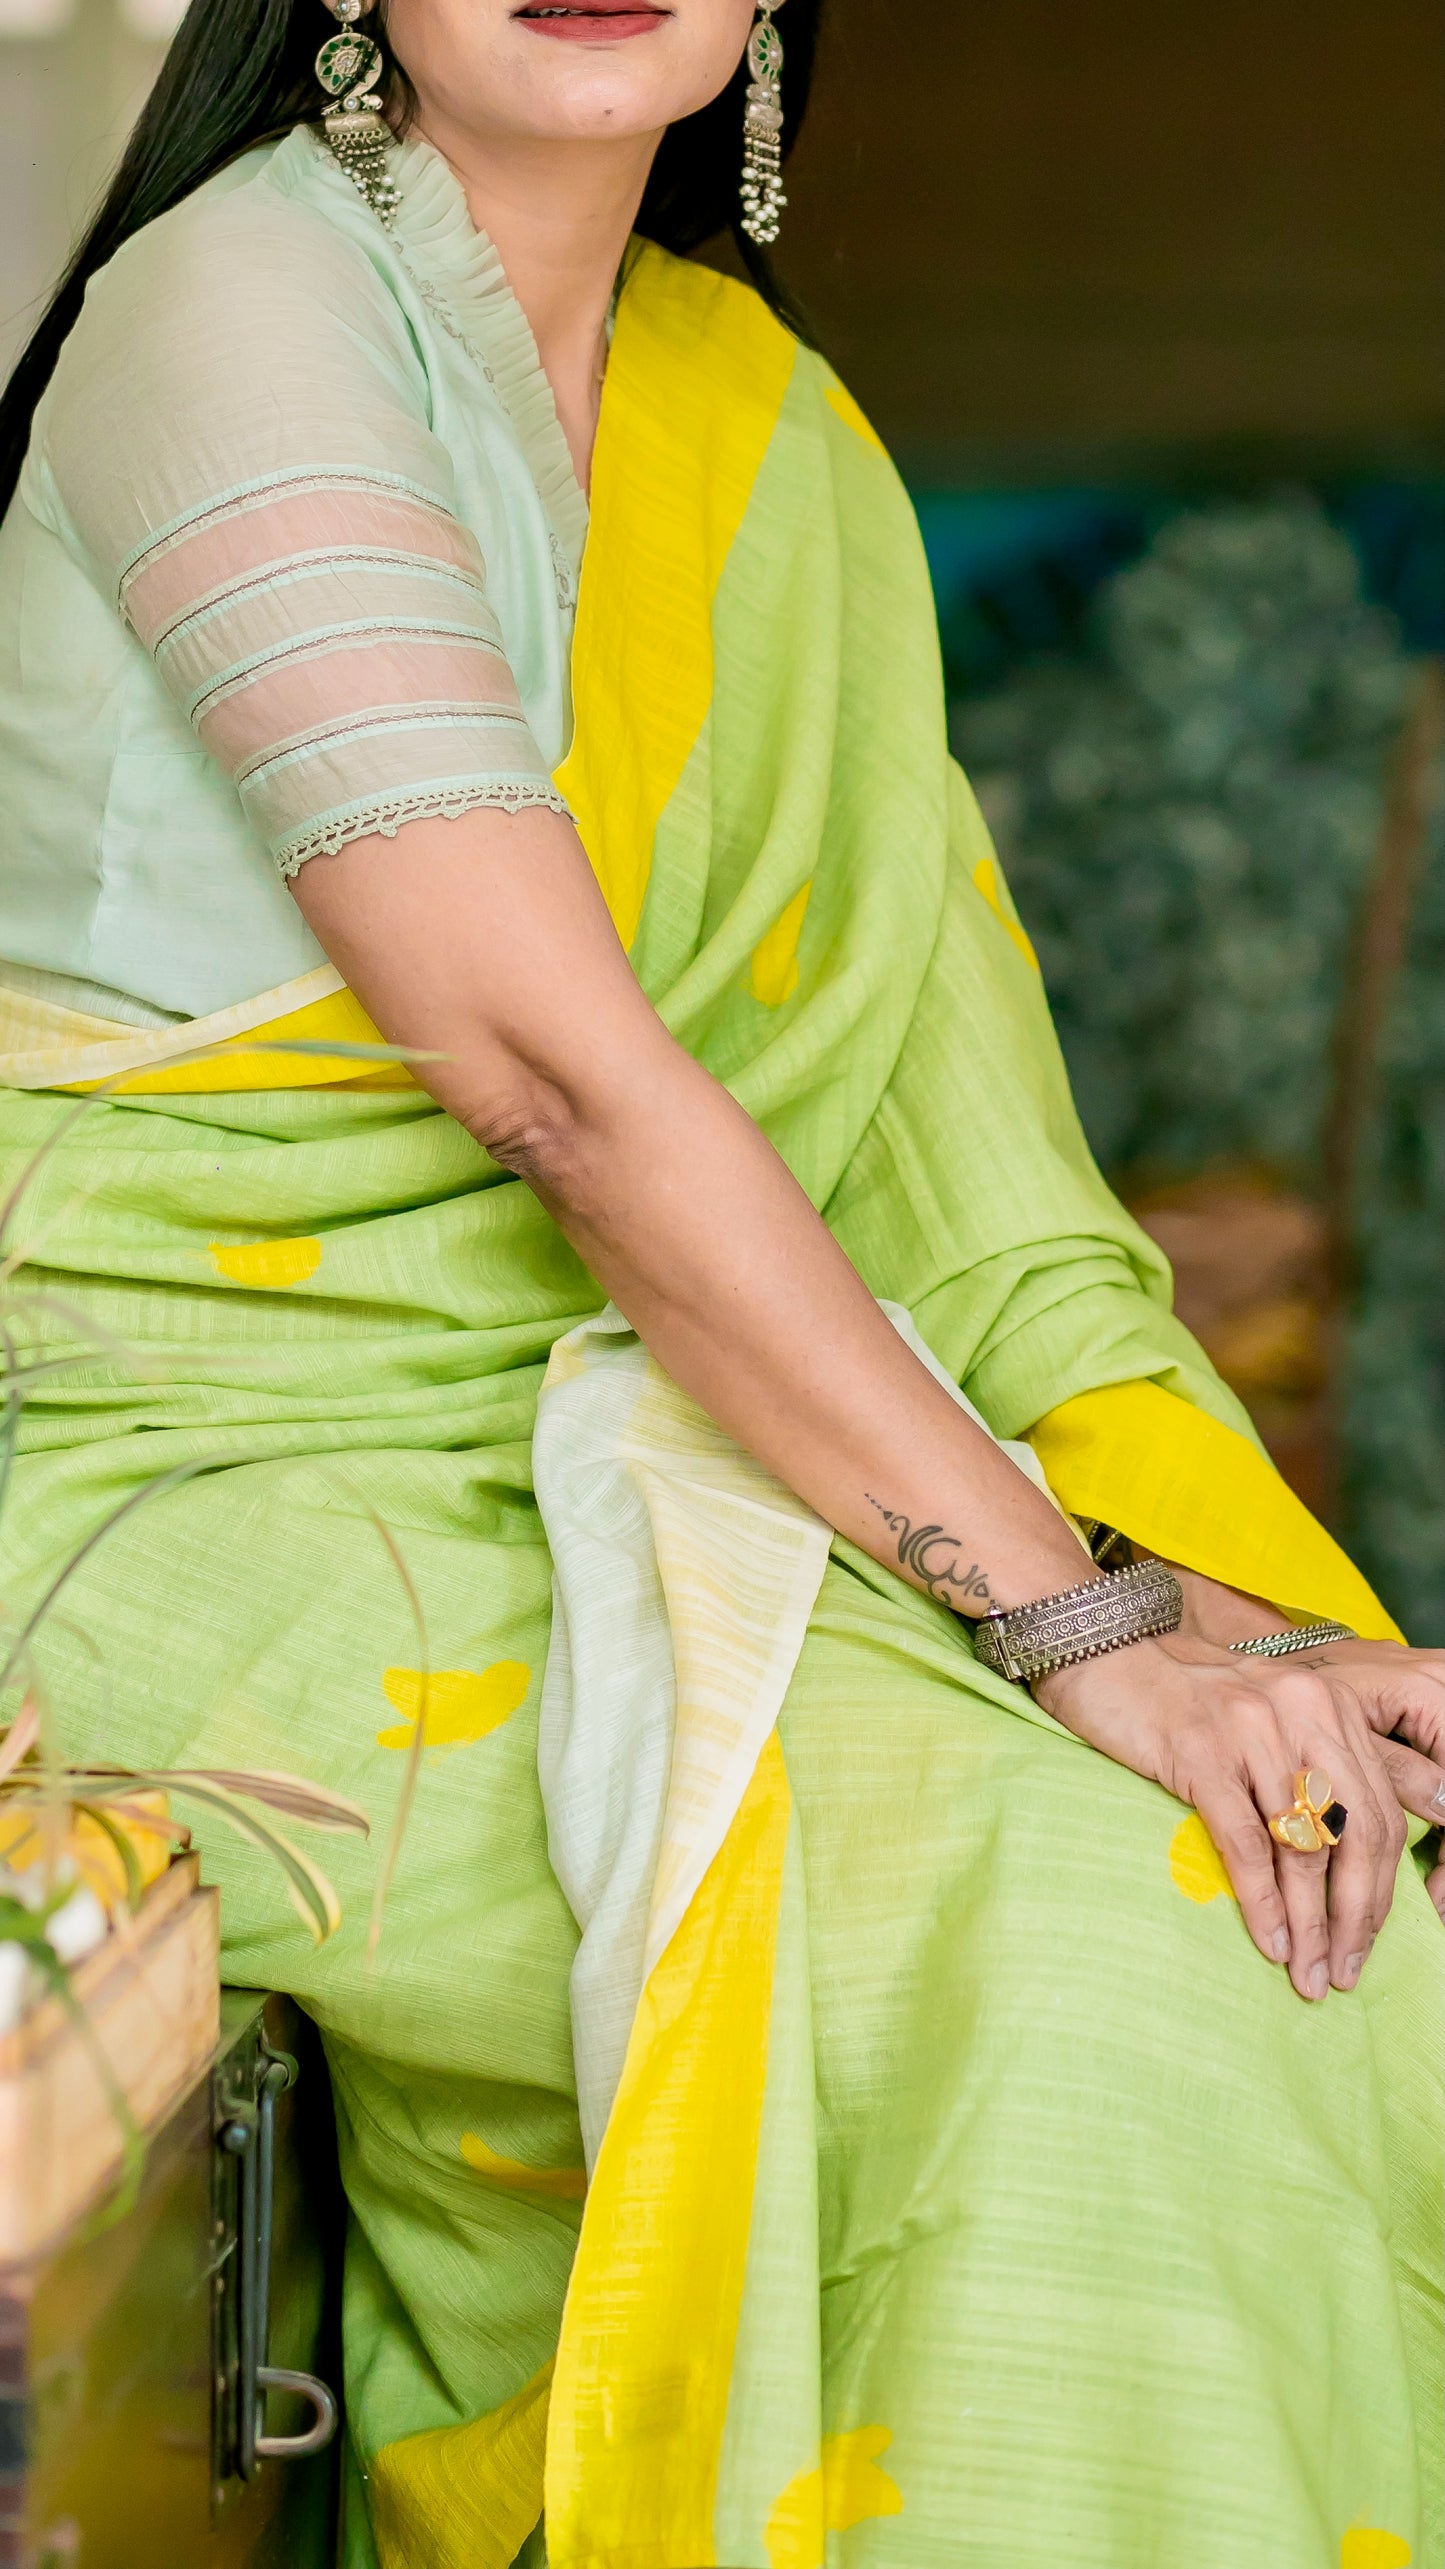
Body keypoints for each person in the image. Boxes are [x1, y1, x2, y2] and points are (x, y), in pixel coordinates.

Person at [0, 3, 1440, 2563]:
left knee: (1317, 1885)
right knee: (1102, 1916)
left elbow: (959, 1169)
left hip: (605, 1435)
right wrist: (1074, 1629)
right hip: (176, 1468)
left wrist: (1219, 1605)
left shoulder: (758, 432)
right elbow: (552, 1078)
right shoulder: (234, 306)